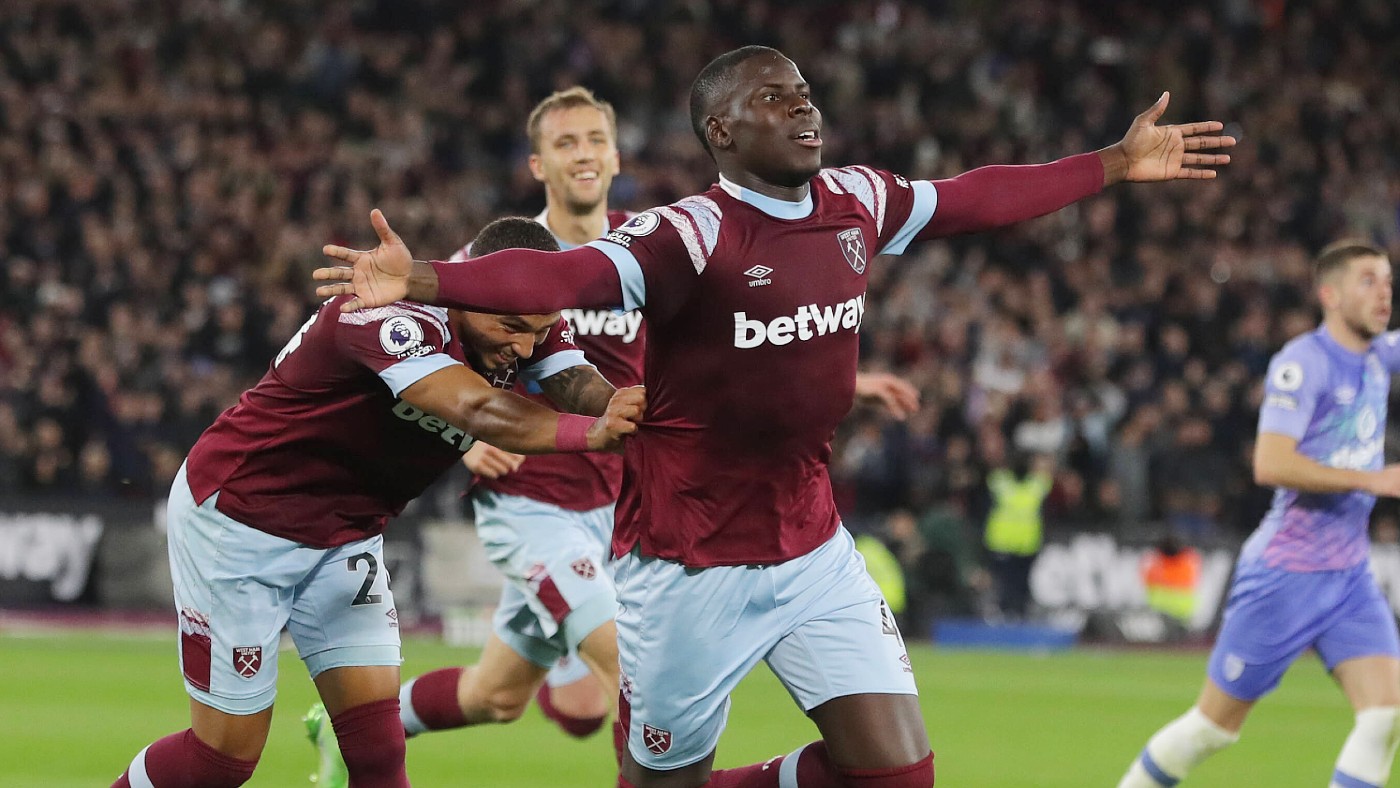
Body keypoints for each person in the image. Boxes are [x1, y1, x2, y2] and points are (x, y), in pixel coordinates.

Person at [314, 45, 1233, 788]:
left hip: (811, 546)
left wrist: (1113, 164)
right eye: (773, 97)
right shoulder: (688, 235)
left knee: (899, 773)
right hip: (687, 562)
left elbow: (974, 197)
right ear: (721, 130)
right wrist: (422, 278)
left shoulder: (856, 201)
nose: (803, 107)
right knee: (647, 770)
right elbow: (564, 274)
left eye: (803, 92)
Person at [305, 84, 925, 788]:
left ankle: (345, 727)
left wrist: (846, 381)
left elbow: (737, 337)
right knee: (627, 667)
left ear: (616, 154)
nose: (584, 154)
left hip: (629, 503)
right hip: (534, 509)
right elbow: (434, 358)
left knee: (496, 696)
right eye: (565, 143)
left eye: (595, 139)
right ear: (537, 164)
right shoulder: (501, 257)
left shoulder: (657, 242)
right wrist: (465, 435)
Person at [111, 217, 645, 788]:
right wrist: (595, 434)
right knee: (221, 761)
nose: (525, 346)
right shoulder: (385, 316)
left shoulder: (525, 323)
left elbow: (573, 381)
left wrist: (632, 410)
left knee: (378, 752)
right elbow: (478, 410)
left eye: (540, 330)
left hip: (346, 533)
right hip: (243, 519)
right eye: (513, 327)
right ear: (471, 287)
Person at [1117, 242, 1400, 788]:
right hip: (1285, 576)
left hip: (1349, 578)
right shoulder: (1303, 364)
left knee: (1384, 716)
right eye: (1368, 281)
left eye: (1388, 281)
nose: (1384, 293)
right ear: (1330, 294)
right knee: (1212, 729)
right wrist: (1372, 479)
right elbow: (1270, 463)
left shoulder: (1377, 357)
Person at [983, 453, 1053, 620]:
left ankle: (1019, 614)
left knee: (1021, 584)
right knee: (1003, 583)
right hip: (1002, 542)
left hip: (1025, 544)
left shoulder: (1038, 484)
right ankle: (1001, 612)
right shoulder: (999, 481)